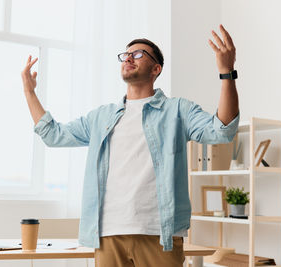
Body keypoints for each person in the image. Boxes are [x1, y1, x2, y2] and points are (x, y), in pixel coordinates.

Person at [21, 24, 239, 267]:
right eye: (126, 55)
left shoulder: (178, 110)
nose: (128, 58)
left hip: (158, 234)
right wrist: (30, 93)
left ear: (156, 69)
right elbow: (53, 135)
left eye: (138, 54)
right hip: (107, 233)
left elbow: (222, 131)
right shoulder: (101, 117)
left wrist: (226, 73)